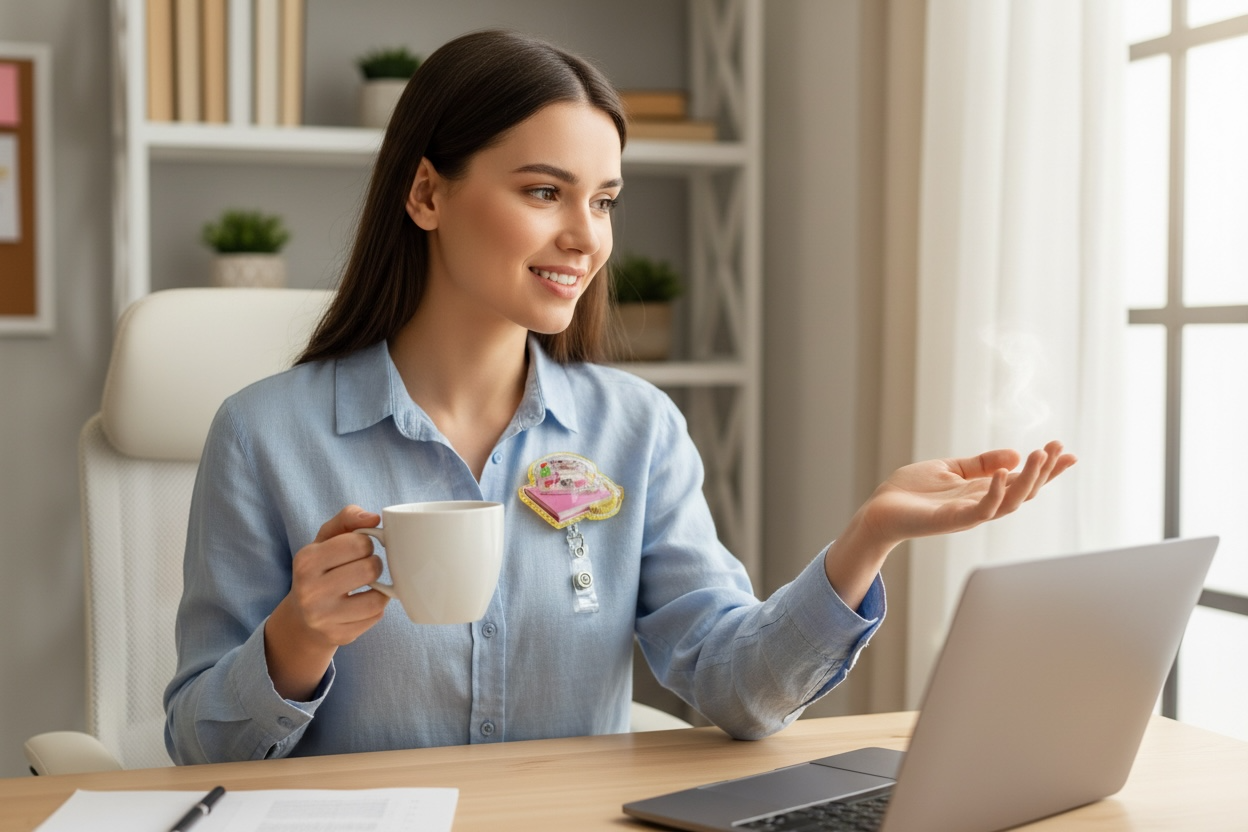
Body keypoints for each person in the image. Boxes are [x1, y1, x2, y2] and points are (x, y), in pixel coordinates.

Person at [164, 30, 1075, 765]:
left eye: (603, 201)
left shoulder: (635, 429)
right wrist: (295, 643)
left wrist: (867, 537)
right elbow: (196, 746)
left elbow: (735, 687)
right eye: (543, 191)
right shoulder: (263, 435)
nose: (583, 237)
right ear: (428, 193)